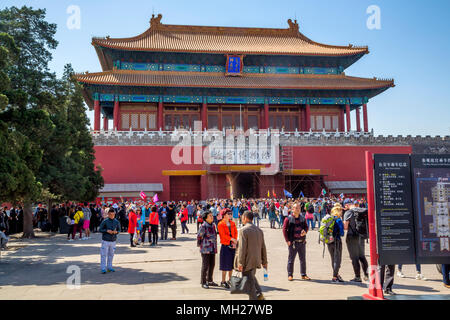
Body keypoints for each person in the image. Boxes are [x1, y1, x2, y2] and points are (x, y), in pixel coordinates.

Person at [235, 210, 267, 300]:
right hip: (256, 260)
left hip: (247, 261)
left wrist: (240, 263)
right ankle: (260, 296)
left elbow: (242, 248)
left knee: (250, 285)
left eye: (242, 217)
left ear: (245, 218)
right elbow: (263, 247)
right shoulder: (259, 230)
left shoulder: (243, 230)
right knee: (251, 279)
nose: (241, 219)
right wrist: (264, 261)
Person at [282, 203, 311, 281]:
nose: (298, 209)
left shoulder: (302, 218)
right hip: (293, 242)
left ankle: (303, 274)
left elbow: (306, 227)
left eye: (299, 208)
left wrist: (305, 231)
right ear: (292, 209)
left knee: (303, 259)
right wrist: (287, 240)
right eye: (296, 208)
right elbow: (284, 230)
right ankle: (290, 275)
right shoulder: (288, 219)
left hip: (302, 242)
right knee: (291, 259)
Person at [343, 199, 369, 282]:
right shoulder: (360, 211)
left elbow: (345, 227)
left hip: (352, 237)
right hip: (361, 236)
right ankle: (367, 275)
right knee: (362, 257)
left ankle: (357, 277)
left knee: (354, 258)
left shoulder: (348, 213)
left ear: (347, 205)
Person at [217, 208, 238, 289]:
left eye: (231, 213)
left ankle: (230, 279)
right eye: (228, 214)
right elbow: (222, 235)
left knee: (231, 265)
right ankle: (223, 281)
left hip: (232, 245)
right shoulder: (220, 224)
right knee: (225, 265)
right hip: (225, 245)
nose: (230, 215)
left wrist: (234, 241)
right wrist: (231, 239)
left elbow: (235, 232)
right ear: (224, 215)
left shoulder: (232, 223)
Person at [197, 210, 218, 289]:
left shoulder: (213, 225)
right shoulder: (203, 226)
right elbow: (199, 236)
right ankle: (203, 282)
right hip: (206, 248)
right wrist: (201, 246)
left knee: (212, 264)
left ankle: (210, 280)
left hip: (213, 247)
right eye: (210, 216)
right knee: (205, 265)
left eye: (212, 215)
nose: (212, 217)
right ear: (205, 218)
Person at [98, 207, 121, 273]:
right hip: (105, 240)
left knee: (111, 255)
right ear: (108, 214)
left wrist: (116, 232)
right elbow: (100, 229)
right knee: (103, 255)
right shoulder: (105, 221)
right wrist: (107, 231)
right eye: (110, 214)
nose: (112, 216)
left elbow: (119, 230)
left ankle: (110, 267)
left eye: (113, 214)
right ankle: (103, 268)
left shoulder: (116, 221)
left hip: (113, 240)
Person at [327, 204, 345, 282]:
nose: (341, 212)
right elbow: (342, 233)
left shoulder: (329, 219)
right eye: (341, 210)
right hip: (336, 241)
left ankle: (336, 274)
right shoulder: (338, 220)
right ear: (338, 211)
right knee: (337, 259)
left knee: (333, 259)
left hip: (329, 241)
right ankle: (335, 277)